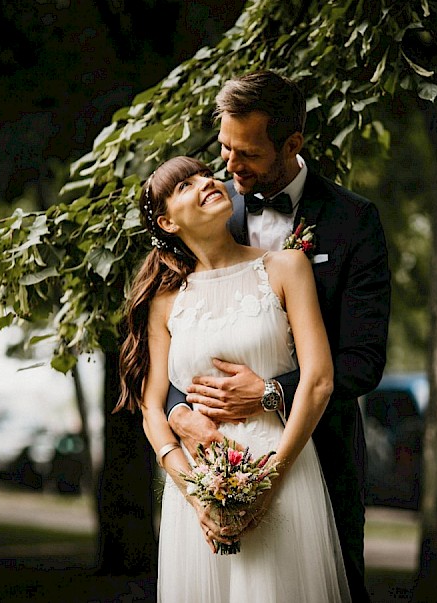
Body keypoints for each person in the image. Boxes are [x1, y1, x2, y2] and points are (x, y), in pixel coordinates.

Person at [165, 70, 391, 603]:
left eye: (246, 154)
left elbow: (362, 361)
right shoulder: (210, 215)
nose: (228, 166)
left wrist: (268, 393)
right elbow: (181, 337)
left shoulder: (353, 222)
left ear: (292, 144)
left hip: (323, 459)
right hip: (214, 463)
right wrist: (181, 412)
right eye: (224, 147)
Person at [116, 155, 351, 602]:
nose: (207, 181)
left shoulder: (286, 268)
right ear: (167, 222)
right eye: (186, 185)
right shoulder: (166, 300)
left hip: (282, 472)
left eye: (205, 173)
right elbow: (152, 406)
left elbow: (318, 380)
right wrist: (195, 495)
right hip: (199, 491)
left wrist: (268, 484)